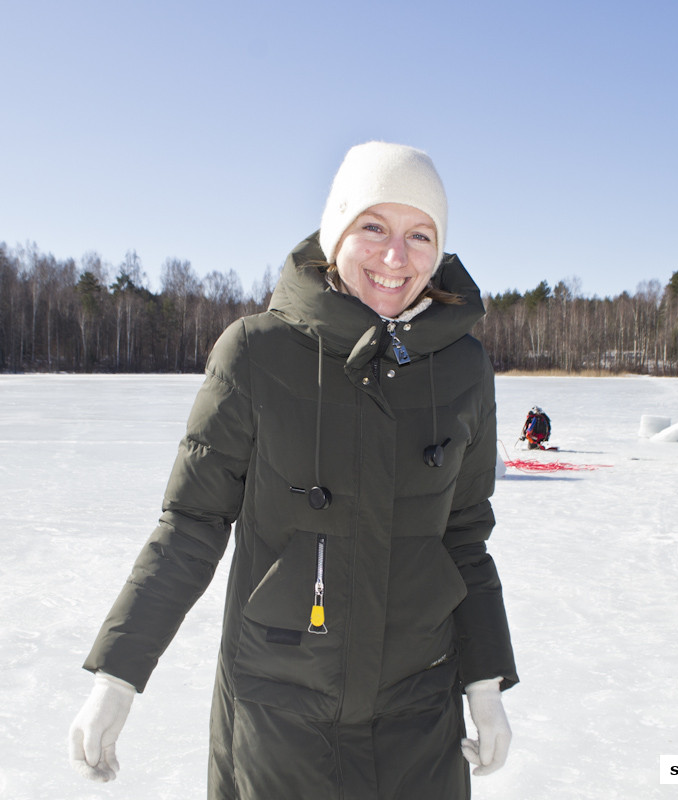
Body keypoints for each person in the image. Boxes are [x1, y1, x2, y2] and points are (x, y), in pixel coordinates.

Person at [68, 141, 518, 798]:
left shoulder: (463, 368)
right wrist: (118, 675)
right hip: (280, 714)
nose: (396, 258)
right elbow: (192, 524)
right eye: (373, 227)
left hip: (421, 711)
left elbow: (465, 536)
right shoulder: (256, 353)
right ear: (335, 233)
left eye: (420, 235)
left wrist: (483, 681)